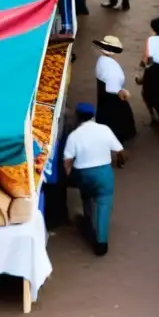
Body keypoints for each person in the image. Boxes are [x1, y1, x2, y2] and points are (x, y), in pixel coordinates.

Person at [63, 102, 122, 256]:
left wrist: (69, 175)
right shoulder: (104, 129)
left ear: (77, 117)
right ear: (93, 116)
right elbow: (119, 150)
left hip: (83, 173)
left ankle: (88, 218)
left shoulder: (74, 136)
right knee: (104, 204)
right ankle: (101, 243)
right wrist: (121, 161)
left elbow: (67, 160)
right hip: (103, 173)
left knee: (86, 195)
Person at [93, 36, 137, 158]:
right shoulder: (111, 67)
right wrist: (124, 94)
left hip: (104, 96)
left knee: (105, 121)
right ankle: (119, 153)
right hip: (113, 98)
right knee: (120, 125)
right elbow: (114, 88)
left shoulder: (101, 61)